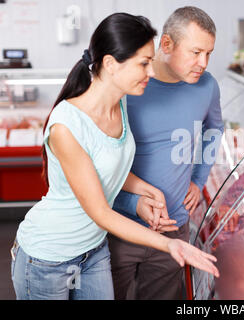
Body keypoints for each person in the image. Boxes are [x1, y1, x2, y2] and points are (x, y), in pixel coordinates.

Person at [10, 12, 219, 301]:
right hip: (50, 255)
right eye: (144, 64)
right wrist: (170, 245)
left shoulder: (119, 104)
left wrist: (148, 190)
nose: (151, 71)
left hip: (94, 250)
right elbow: (101, 212)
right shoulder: (66, 127)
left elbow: (110, 168)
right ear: (110, 64)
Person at [110, 6, 224, 300]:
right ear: (167, 44)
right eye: (196, 52)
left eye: (209, 53)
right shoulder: (129, 85)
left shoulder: (207, 86)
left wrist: (198, 180)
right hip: (119, 226)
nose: (204, 63)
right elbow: (100, 164)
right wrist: (134, 201)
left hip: (174, 227)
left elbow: (214, 131)